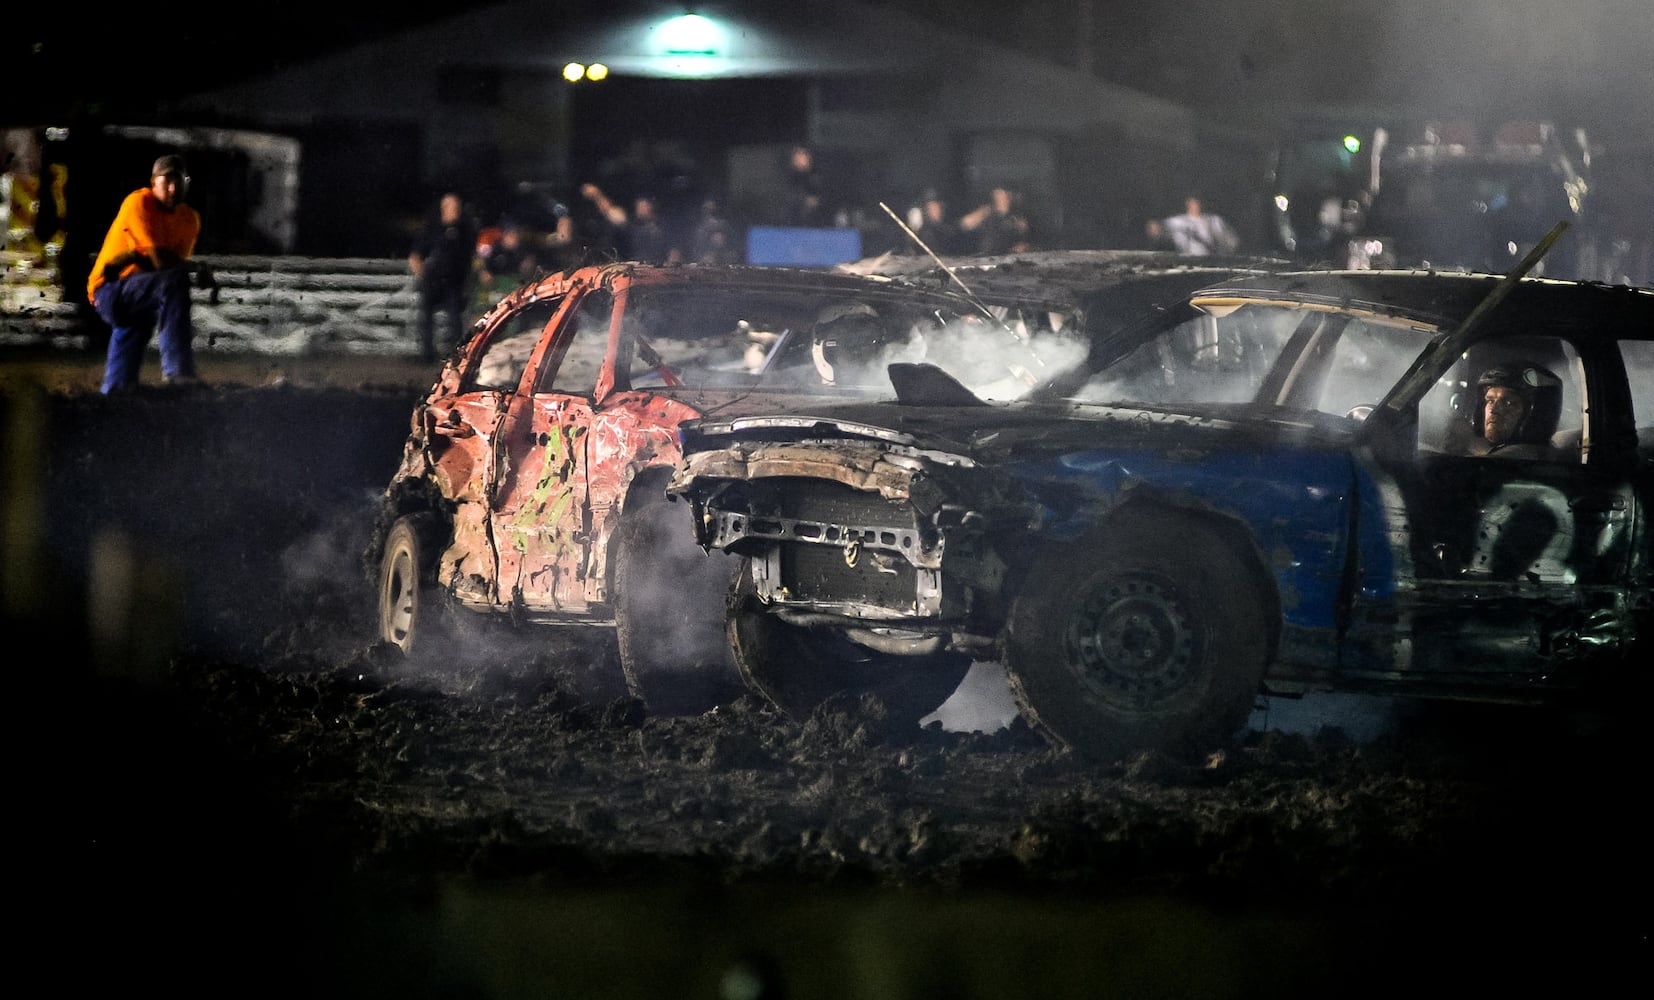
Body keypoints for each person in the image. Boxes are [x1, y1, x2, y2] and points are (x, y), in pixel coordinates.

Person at [87, 153, 204, 393]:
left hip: (140, 290)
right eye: (167, 181)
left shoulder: (189, 219)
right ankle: (178, 371)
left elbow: (168, 264)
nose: (173, 188)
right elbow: (162, 262)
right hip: (109, 290)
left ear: (187, 183)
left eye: (179, 181)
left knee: (138, 325)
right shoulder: (139, 203)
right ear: (153, 183)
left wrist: (177, 266)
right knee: (172, 282)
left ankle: (115, 391)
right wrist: (196, 268)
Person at [408, 190, 479, 362]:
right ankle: (427, 354)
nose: (455, 210)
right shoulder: (431, 229)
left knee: (455, 320)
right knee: (426, 319)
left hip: (454, 281)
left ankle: (456, 354)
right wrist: (422, 274)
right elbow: (415, 255)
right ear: (443, 208)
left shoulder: (465, 230)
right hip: (433, 280)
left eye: (457, 206)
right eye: (451, 206)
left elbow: (471, 255)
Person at [1465, 362, 1563, 458]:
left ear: (1537, 413)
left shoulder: (1518, 455)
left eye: (1509, 403)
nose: (1493, 410)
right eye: (1490, 401)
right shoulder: (1548, 454)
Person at [959, 186, 1031, 255]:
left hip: (1008, 257)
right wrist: (983, 213)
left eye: (1001, 195)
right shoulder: (986, 212)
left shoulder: (1017, 218)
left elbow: (1024, 240)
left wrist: (1021, 247)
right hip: (985, 257)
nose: (998, 198)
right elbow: (965, 224)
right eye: (996, 195)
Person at [1162, 194, 1240, 256]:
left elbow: (1232, 241)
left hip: (1210, 262)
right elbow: (1159, 233)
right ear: (1187, 203)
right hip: (1186, 262)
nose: (1196, 205)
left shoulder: (1214, 220)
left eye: (1198, 202)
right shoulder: (1176, 221)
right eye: (1193, 202)